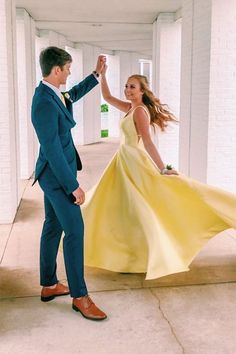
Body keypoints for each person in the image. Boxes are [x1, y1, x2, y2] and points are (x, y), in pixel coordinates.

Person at [82, 64, 236, 280]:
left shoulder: (140, 112)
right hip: (122, 161)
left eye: (133, 87)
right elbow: (107, 96)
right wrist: (103, 74)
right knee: (120, 207)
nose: (128, 90)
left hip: (134, 162)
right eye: (126, 86)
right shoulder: (129, 107)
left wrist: (162, 168)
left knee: (143, 206)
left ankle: (149, 255)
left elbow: (147, 142)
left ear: (142, 91)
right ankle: (128, 255)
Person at [31, 46, 107, 321]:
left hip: (55, 173)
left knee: (53, 227)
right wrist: (71, 186)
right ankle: (80, 296)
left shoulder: (54, 94)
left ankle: (49, 285)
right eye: (68, 68)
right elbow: (51, 148)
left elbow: (72, 95)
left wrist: (96, 75)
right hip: (55, 176)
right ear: (57, 69)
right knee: (75, 230)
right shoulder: (42, 102)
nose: (69, 72)